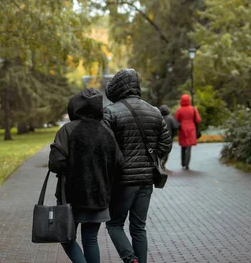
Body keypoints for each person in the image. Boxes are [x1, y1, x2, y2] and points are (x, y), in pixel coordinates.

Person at [101, 69, 172, 263]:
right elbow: (166, 144)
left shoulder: (110, 112)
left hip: (122, 180)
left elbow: (106, 146)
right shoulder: (154, 111)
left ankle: (129, 257)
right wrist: (152, 159)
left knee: (114, 223)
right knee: (139, 227)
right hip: (146, 179)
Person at [49, 88, 123, 263]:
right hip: (99, 195)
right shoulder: (107, 132)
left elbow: (55, 163)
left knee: (65, 237)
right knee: (90, 239)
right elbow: (119, 163)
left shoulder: (67, 130)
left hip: (71, 196)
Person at [174, 94, 201, 170]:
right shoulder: (193, 109)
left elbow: (176, 120)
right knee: (189, 147)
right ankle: (187, 164)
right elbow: (198, 120)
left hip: (183, 129)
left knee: (183, 146)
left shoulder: (179, 110)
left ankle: (182, 163)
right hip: (191, 129)